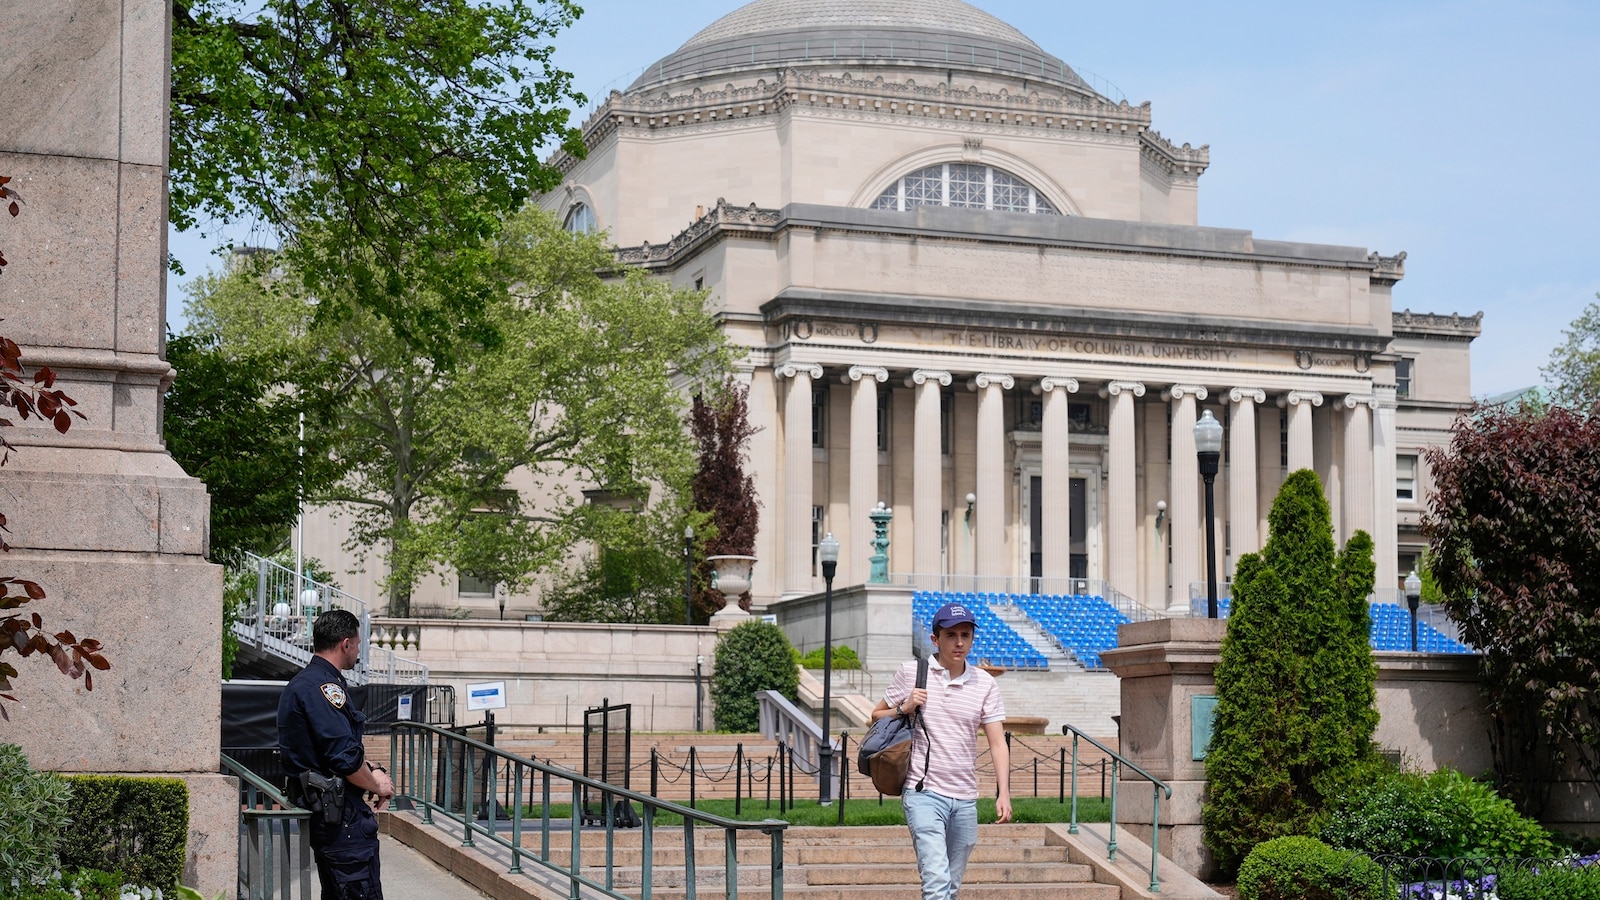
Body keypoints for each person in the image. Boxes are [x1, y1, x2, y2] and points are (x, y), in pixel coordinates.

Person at [878, 602, 1011, 900]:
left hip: (965, 798)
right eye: (951, 635)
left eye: (966, 634)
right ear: (935, 639)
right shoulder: (911, 672)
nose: (960, 642)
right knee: (937, 882)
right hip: (923, 793)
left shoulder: (985, 683)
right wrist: (905, 707)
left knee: (950, 885)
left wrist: (1004, 792)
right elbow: (875, 716)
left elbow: (997, 743)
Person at [278, 609, 394, 900]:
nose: (358, 650)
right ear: (345, 644)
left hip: (335, 818)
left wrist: (372, 767)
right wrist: (377, 784)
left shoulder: (307, 683)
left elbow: (330, 752)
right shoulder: (322, 687)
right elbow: (344, 757)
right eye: (357, 643)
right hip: (342, 824)